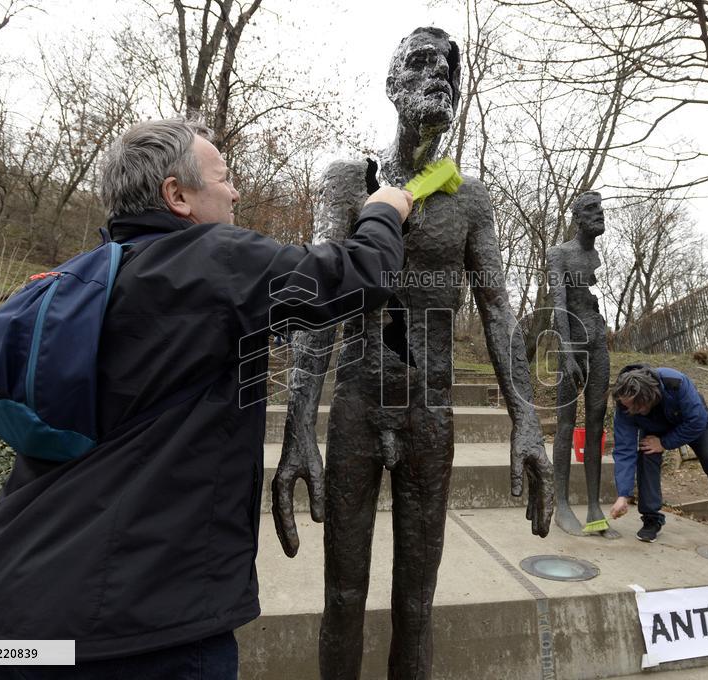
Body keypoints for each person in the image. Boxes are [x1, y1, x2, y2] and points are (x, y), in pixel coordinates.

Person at [0, 118, 413, 679]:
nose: (236, 190)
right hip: (134, 634)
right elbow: (356, 276)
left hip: (11, 617)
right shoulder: (209, 259)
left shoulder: (89, 278)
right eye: (223, 178)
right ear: (176, 196)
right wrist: (385, 211)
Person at [274, 27, 553, 679]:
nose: (439, 76)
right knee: (342, 598)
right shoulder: (348, 181)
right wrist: (297, 429)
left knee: (417, 605)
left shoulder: (471, 201)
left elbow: (499, 309)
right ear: (392, 84)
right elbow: (319, 298)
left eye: (449, 68)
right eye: (420, 63)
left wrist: (529, 418)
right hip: (357, 410)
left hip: (430, 414)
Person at [608, 363, 708, 545]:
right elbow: (624, 448)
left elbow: (696, 421)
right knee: (646, 455)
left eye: (634, 407)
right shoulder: (625, 402)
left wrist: (664, 443)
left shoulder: (675, 382)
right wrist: (623, 495)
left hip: (692, 423)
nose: (629, 410)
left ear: (647, 398)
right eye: (626, 406)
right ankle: (651, 519)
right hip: (655, 428)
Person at [547, 191, 619, 538]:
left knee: (594, 425)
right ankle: (560, 504)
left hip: (597, 343)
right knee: (565, 423)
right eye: (591, 209)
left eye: (601, 208)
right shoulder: (559, 254)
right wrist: (566, 350)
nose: (599, 214)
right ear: (577, 217)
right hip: (571, 342)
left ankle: (593, 507)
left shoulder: (595, 256)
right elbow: (558, 305)